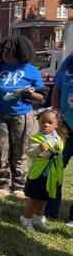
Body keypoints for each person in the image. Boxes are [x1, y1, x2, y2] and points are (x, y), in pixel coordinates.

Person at [0, 35, 46, 199]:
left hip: (22, 116)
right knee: (1, 151)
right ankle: (2, 185)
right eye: (3, 49)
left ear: (20, 50)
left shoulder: (30, 70)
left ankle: (19, 186)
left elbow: (42, 97)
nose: (5, 52)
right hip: (0, 116)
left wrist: (30, 93)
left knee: (19, 153)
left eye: (9, 49)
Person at [20, 108, 63, 233]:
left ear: (57, 124)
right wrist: (38, 149)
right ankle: (26, 219)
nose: (46, 125)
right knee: (34, 199)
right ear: (38, 122)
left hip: (51, 175)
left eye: (50, 122)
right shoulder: (36, 138)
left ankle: (37, 220)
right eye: (43, 122)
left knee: (44, 198)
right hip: (38, 174)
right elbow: (30, 154)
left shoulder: (58, 138)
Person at [50, 53, 73, 224]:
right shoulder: (68, 62)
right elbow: (57, 90)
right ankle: (51, 209)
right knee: (55, 168)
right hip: (65, 130)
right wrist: (58, 121)